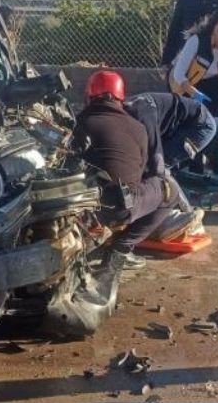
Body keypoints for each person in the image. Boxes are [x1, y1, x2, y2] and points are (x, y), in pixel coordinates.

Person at [75, 71, 198, 271]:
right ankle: (121, 248)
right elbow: (140, 172)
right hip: (120, 207)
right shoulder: (138, 127)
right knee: (169, 189)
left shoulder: (77, 123)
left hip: (80, 208)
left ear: (89, 96)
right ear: (120, 97)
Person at [169, 6, 218, 177]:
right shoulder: (197, 41)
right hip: (187, 83)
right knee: (195, 126)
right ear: (212, 29)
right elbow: (178, 74)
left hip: (216, 84)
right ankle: (194, 170)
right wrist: (194, 94)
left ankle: (217, 171)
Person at [124, 91, 217, 238]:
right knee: (148, 166)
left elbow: (157, 162)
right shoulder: (127, 112)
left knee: (160, 166)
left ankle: (186, 217)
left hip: (200, 126)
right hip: (178, 126)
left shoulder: (141, 116)